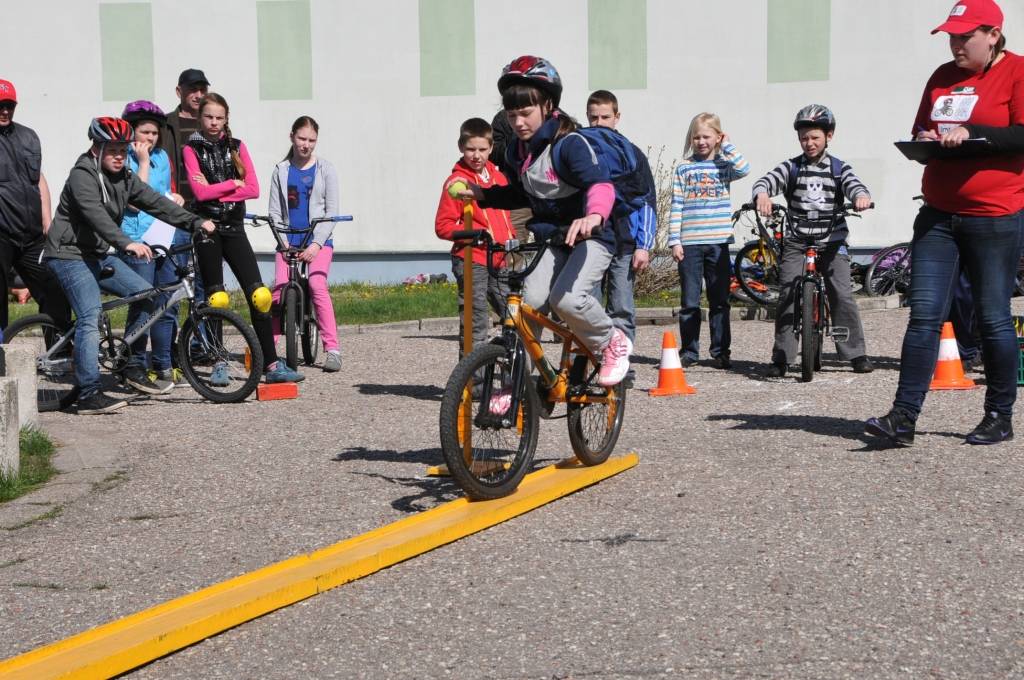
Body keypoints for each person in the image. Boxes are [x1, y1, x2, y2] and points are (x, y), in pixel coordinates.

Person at [867, 0, 1024, 446]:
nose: (956, 45)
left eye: (965, 37)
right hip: (937, 214)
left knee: (992, 318)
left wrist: (974, 134)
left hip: (993, 216)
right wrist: (925, 138)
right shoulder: (941, 77)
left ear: (993, 35)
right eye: (952, 37)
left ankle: (999, 416)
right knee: (924, 317)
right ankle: (903, 418)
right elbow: (923, 126)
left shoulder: (1017, 72)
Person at [454, 55, 633, 386]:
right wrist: (483, 195)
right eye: (512, 115)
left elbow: (600, 185)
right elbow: (521, 194)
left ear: (548, 105)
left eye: (526, 112)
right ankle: (519, 387)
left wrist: (593, 215)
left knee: (568, 300)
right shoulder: (518, 152)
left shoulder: (570, 144)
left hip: (593, 236)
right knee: (528, 305)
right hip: (554, 238)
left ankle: (612, 341)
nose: (518, 122)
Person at [43, 117, 215, 414]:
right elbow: (95, 215)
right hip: (68, 255)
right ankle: (88, 394)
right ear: (96, 148)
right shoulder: (82, 175)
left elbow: (155, 202)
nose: (119, 156)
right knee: (90, 315)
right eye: (112, 150)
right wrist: (127, 243)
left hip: (96, 254)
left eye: (123, 150)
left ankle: (130, 365)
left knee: (147, 295)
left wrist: (195, 222)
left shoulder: (124, 177)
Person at [183, 93, 303, 384]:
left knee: (260, 296)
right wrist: (231, 184)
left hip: (234, 228)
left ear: (226, 119)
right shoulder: (191, 148)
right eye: (209, 117)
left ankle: (271, 364)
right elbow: (199, 194)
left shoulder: (237, 146)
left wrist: (217, 190)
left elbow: (253, 189)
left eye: (219, 117)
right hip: (208, 229)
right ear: (200, 118)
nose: (214, 122)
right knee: (217, 298)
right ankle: (218, 362)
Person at [751, 104, 874, 377]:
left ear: (829, 136)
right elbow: (765, 181)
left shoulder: (839, 168)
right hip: (798, 239)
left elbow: (855, 185)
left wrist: (860, 197)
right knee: (787, 293)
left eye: (815, 137)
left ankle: (855, 354)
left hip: (832, 239)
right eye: (804, 138)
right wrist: (762, 195)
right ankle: (782, 358)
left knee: (841, 293)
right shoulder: (791, 167)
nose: (809, 143)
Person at [585, 89, 657, 387]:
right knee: (587, 306)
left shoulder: (631, 154)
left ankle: (621, 366)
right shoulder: (582, 151)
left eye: (605, 117)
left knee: (621, 306)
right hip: (591, 242)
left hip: (625, 244)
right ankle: (591, 364)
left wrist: (644, 245)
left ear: (617, 117)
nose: (599, 123)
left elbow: (647, 201)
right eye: (594, 118)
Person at [668, 112, 750, 370]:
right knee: (690, 302)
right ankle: (689, 351)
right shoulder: (684, 168)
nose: (701, 142)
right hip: (690, 243)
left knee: (719, 300)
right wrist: (675, 240)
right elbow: (676, 205)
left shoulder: (724, 167)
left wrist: (728, 146)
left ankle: (720, 351)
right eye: (696, 137)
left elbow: (744, 168)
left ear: (717, 137)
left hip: (718, 242)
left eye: (706, 136)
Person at [119, 100, 187, 391]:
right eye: (144, 132)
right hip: (138, 238)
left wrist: (174, 197)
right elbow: (135, 202)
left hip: (164, 236)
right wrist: (143, 162)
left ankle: (163, 364)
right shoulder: (124, 157)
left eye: (154, 133)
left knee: (167, 304)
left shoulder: (162, 157)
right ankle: (134, 364)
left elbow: (161, 193)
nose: (149, 138)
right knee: (143, 303)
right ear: (132, 131)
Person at [268, 115, 344, 373]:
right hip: (288, 241)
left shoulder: (326, 169)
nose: (306, 145)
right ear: (292, 137)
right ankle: (267, 350)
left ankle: (332, 350)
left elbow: (331, 212)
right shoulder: (281, 171)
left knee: (317, 284)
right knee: (278, 291)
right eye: (302, 139)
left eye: (312, 140)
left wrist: (316, 244)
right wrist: (283, 242)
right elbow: (274, 212)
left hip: (318, 242)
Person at [434, 117, 515, 358]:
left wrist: (511, 239)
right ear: (461, 147)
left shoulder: (499, 178)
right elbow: (442, 226)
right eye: (471, 149)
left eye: (482, 149)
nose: (476, 155)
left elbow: (505, 217)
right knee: (476, 320)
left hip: (499, 258)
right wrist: (473, 234)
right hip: (472, 258)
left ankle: (512, 370)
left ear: (491, 148)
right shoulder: (457, 183)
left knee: (512, 316)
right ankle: (472, 377)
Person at [0, 78, 70, 334]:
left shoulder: (28, 136)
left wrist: (47, 221)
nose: (5, 111)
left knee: (54, 289)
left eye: (9, 105)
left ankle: (58, 350)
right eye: (0, 106)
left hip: (32, 236)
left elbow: (38, 178)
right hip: (2, 233)